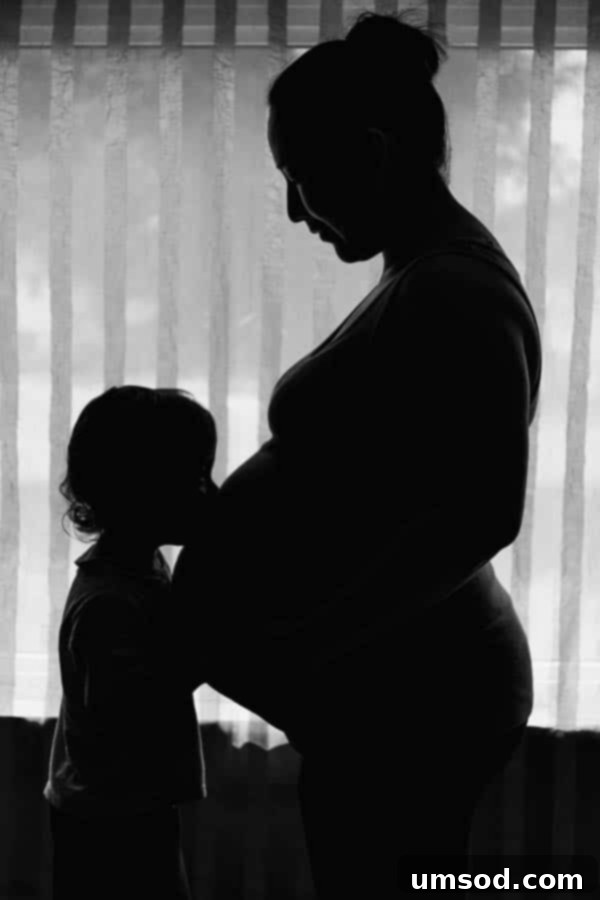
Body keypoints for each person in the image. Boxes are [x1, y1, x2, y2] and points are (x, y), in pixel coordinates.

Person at [174, 11, 542, 898]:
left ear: (375, 152)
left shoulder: (457, 287)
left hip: (420, 704)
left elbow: (483, 512)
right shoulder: (421, 271)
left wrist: (310, 645)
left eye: (302, 179)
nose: (298, 211)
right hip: (392, 697)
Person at [45, 385, 217, 900]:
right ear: (142, 491)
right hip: (109, 816)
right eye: (195, 478)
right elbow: (125, 709)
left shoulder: (137, 568)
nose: (210, 492)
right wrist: (205, 647)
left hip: (117, 801)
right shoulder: (110, 602)